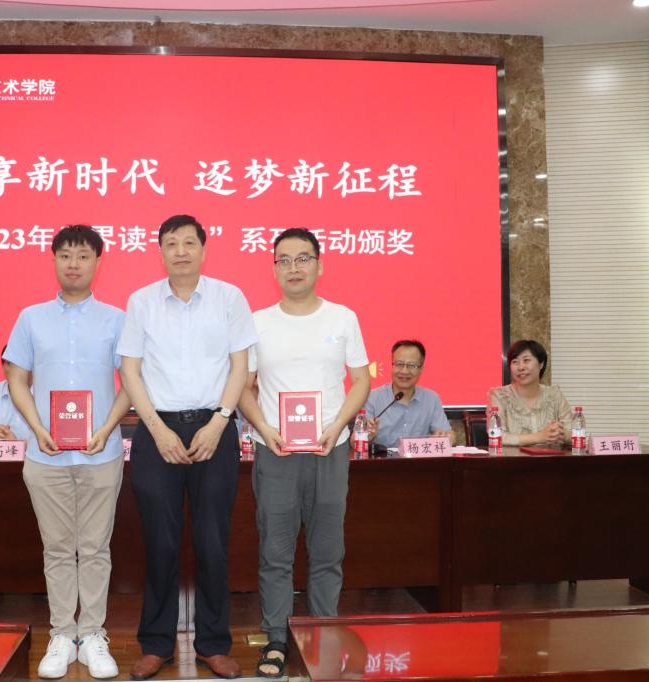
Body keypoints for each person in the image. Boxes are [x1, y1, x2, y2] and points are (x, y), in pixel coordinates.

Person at [118, 214, 257, 681]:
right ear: (160, 251)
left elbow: (240, 367)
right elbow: (130, 371)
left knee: (212, 541)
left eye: (189, 243)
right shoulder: (141, 302)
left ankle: (213, 644)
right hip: (156, 430)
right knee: (160, 541)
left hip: (214, 428)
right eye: (171, 244)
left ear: (203, 248)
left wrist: (220, 421)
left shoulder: (229, 298)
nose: (180, 251)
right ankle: (156, 644)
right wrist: (157, 430)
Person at [236, 228, 370, 678]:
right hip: (275, 451)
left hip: (330, 448)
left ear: (319, 264)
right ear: (274, 268)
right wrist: (265, 428)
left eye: (303, 258)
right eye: (284, 260)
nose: (294, 267)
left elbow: (361, 381)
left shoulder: (342, 318)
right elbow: (243, 387)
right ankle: (276, 639)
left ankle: (324, 634)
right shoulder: (257, 322)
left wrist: (338, 426)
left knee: (328, 549)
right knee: (275, 551)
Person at [4, 225, 130, 680]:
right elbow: (16, 378)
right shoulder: (31, 318)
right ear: (54, 260)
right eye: (65, 255)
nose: (73, 263)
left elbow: (132, 384)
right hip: (46, 456)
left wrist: (107, 428)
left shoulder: (117, 319)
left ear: (98, 262)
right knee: (57, 548)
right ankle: (62, 634)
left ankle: (92, 634)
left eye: (83, 255)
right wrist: (37, 428)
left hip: (101, 453)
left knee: (95, 548)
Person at [365, 339, 453, 449]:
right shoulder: (372, 398)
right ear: (392, 366)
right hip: (382, 459)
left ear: (421, 369)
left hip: (419, 459)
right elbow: (355, 441)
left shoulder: (431, 399)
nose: (404, 371)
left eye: (411, 365)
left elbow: (447, 434)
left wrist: (447, 437)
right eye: (399, 364)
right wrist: (366, 437)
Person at [487, 339, 572, 447]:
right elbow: (497, 437)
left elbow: (575, 434)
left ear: (541, 364)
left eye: (526, 360)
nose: (521, 367)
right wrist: (540, 437)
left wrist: (562, 435)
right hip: (512, 458)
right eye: (515, 362)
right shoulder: (499, 396)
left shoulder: (554, 395)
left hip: (551, 457)